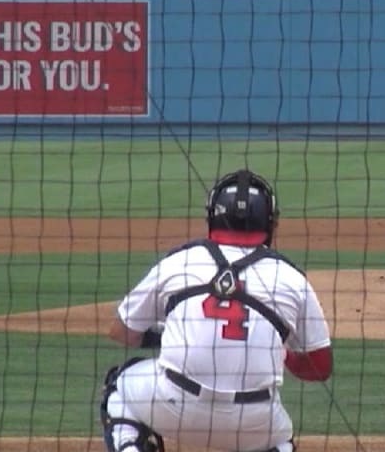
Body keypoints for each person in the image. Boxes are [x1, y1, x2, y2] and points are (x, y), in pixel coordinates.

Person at [100, 169, 333, 452]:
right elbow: (320, 368)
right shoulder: (292, 278)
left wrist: (170, 335)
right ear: (270, 222)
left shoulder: (180, 262)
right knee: (279, 441)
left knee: (119, 384)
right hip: (254, 423)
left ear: (212, 215)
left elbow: (121, 332)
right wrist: (281, 352)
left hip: (174, 407)